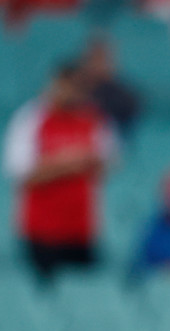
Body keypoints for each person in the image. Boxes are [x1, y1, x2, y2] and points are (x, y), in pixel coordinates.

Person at [2, 62, 118, 285]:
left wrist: (78, 163)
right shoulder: (31, 118)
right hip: (41, 231)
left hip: (81, 229)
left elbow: (108, 160)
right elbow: (22, 174)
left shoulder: (93, 119)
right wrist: (67, 163)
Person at [79, 37, 141, 140]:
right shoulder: (72, 93)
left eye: (103, 59)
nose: (98, 65)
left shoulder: (126, 99)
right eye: (93, 59)